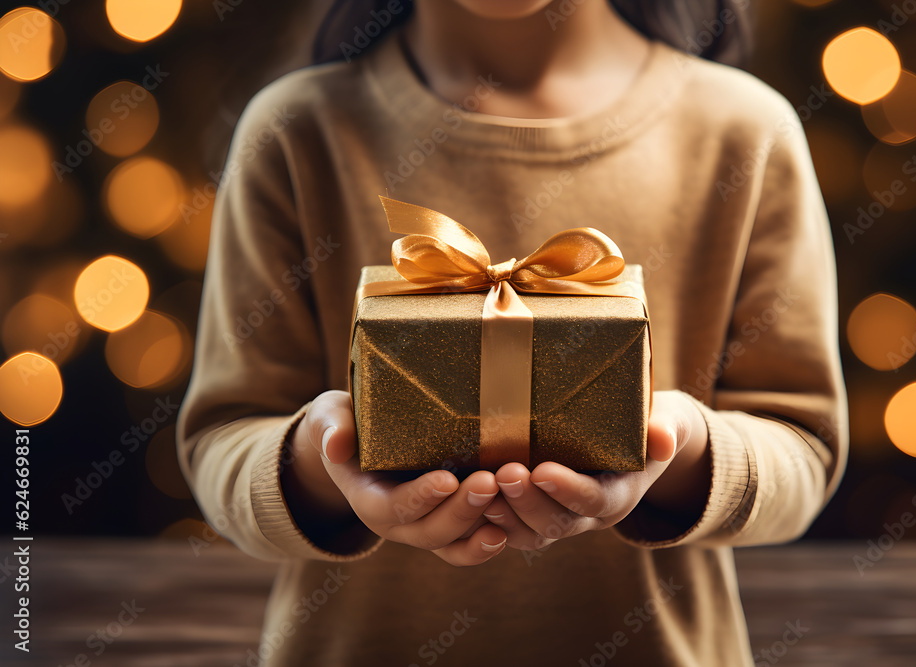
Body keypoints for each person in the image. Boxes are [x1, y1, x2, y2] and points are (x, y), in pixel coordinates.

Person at [177, 0, 848, 664]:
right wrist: (324, 461)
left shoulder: (745, 132)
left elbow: (803, 447)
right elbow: (222, 439)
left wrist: (683, 452)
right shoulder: (296, 131)